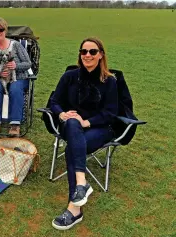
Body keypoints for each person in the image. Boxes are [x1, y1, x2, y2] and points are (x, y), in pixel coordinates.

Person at [50, 37, 118, 230]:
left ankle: (75, 207)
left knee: (74, 146)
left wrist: (86, 121)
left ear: (101, 55)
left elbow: (111, 113)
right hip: (71, 126)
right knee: (72, 123)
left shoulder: (110, 81)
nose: (87, 55)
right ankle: (81, 185)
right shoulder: (70, 76)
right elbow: (55, 101)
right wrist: (62, 114)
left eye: (92, 51)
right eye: (84, 51)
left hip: (99, 128)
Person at [0, 16, 32, 138]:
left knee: (15, 87)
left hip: (17, 77)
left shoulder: (16, 45)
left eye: (1, 29)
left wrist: (16, 65)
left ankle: (15, 125)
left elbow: (28, 63)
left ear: (5, 30)